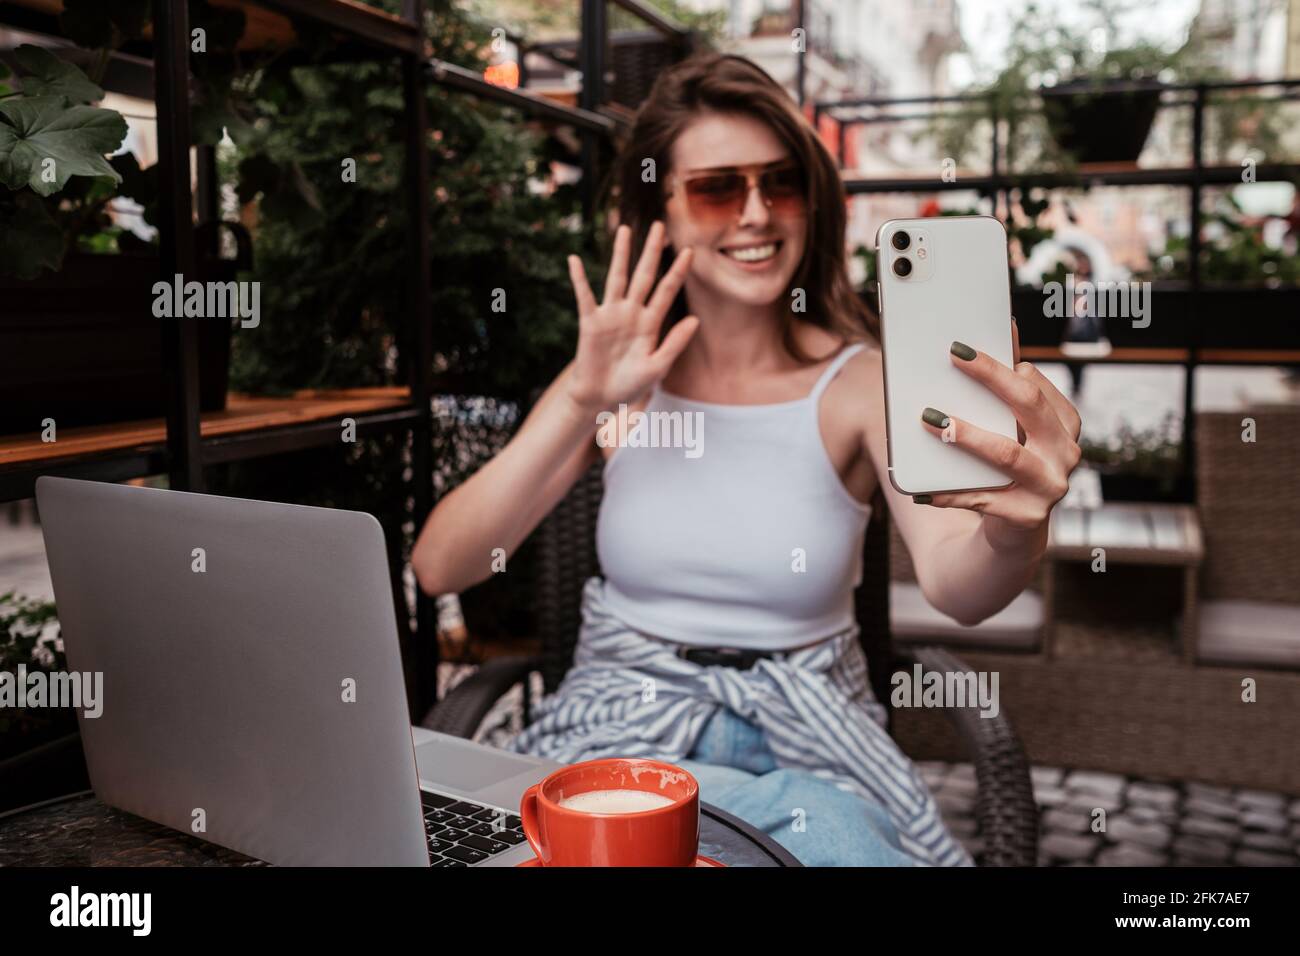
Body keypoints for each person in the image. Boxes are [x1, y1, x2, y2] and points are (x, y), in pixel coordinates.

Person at [412, 53, 1082, 866]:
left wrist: (1015, 529)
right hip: (621, 724)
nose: (758, 214)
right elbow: (443, 567)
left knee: (814, 823)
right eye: (718, 188)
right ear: (661, 206)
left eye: (782, 182)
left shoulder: (860, 383)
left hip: (817, 741)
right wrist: (583, 400)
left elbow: (956, 586)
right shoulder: (614, 380)